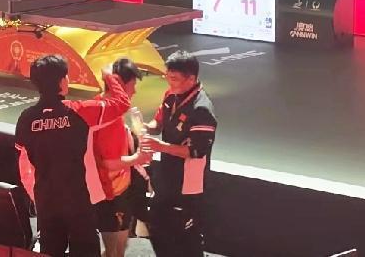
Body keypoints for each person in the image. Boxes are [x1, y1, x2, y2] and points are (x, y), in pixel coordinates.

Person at [15, 55, 131, 257]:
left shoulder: (25, 118)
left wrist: (36, 196)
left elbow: (23, 165)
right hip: (78, 202)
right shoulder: (80, 111)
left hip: (46, 202)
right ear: (62, 81)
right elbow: (122, 103)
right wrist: (109, 76)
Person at [142, 51, 217, 257]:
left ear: (191, 79)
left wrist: (160, 146)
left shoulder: (202, 110)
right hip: (167, 176)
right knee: (158, 226)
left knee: (186, 235)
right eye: (167, 76)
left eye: (174, 78)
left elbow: (195, 151)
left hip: (188, 184)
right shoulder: (170, 95)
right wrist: (144, 127)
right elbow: (158, 122)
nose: (169, 81)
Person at [93, 59, 152, 257]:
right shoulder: (108, 118)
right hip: (112, 194)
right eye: (132, 85)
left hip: (121, 190)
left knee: (118, 250)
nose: (134, 91)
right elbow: (108, 163)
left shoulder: (103, 107)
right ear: (119, 83)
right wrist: (138, 158)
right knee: (114, 253)